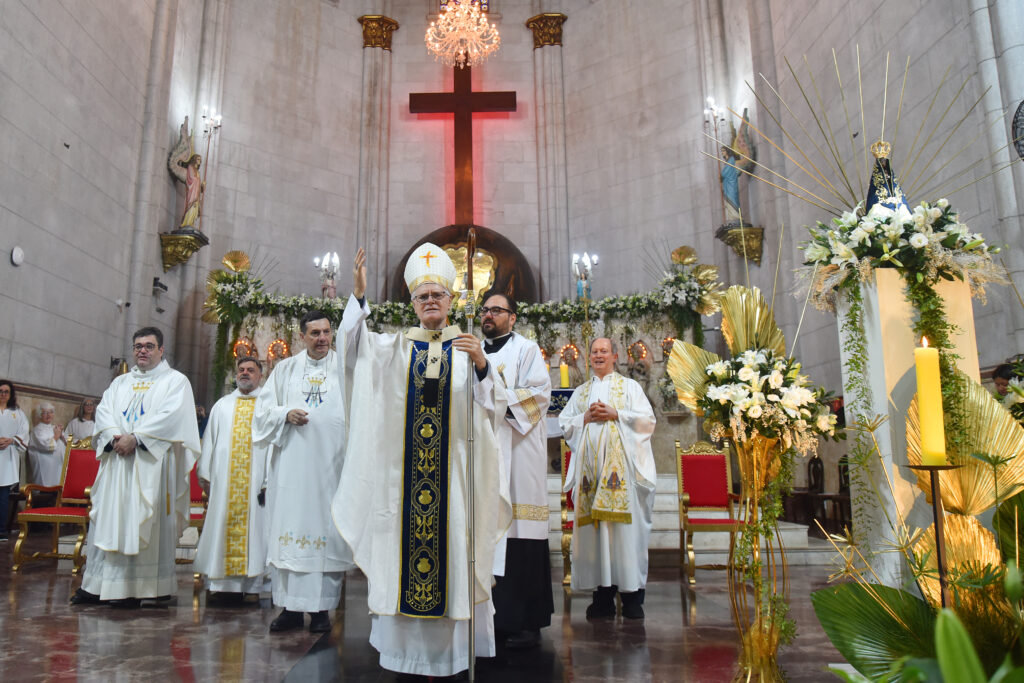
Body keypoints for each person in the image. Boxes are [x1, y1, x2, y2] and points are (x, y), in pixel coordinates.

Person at [333, 245, 511, 678]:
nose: (430, 301)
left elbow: (495, 408)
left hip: (455, 485)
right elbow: (351, 350)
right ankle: (406, 658)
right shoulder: (392, 348)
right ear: (412, 304)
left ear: (451, 301)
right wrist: (358, 298)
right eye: (422, 296)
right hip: (402, 486)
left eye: (437, 295)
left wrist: (482, 365)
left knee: (454, 561)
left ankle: (452, 658)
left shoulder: (468, 349)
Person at [71, 326, 201, 607]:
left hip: (152, 465)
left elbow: (171, 417)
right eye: (138, 346)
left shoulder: (176, 382)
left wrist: (137, 439)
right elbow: (104, 412)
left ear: (161, 350)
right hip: (118, 465)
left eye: (149, 346)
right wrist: (114, 437)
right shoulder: (120, 383)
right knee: (109, 521)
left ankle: (145, 588)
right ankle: (97, 585)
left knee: (147, 523)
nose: (143, 351)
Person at [253, 309, 352, 633]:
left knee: (326, 537)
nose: (322, 338)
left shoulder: (344, 368)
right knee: (289, 533)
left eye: (326, 332)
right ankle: (290, 609)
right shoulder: (286, 369)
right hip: (291, 469)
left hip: (331, 468)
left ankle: (321, 611)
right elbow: (262, 412)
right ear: (302, 336)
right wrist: (285, 414)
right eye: (315, 333)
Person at [560, 337, 656, 620]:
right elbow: (565, 424)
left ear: (615, 356)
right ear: (589, 358)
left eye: (604, 351)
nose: (598, 355)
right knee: (597, 537)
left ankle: (632, 598)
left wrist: (616, 414)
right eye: (594, 352)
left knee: (624, 535)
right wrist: (584, 419)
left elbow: (647, 422)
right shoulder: (581, 393)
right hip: (591, 478)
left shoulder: (630, 387)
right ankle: (602, 598)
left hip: (622, 477)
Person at [479, 291, 554, 649]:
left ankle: (524, 617)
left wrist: (489, 392)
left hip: (518, 452)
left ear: (512, 318)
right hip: (482, 453)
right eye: (485, 310)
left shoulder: (526, 350)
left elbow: (538, 395)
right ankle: (488, 614)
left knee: (521, 530)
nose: (489, 315)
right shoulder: (470, 351)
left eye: (497, 310)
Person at [194, 356, 270, 601]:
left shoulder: (269, 404)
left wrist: (269, 479)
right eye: (241, 370)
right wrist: (205, 473)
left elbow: (274, 444)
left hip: (256, 482)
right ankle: (220, 585)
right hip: (224, 481)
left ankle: (253, 587)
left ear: (260, 376)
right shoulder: (222, 405)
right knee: (221, 525)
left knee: (257, 530)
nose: (245, 373)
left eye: (251, 370)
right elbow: (210, 441)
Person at [0, 380, 29, 541]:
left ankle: (2, 530)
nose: (3, 394)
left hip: (7, 457)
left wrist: (11, 440)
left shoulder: (17, 412)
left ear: (10, 394)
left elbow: (24, 430)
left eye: (6, 391)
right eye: (0, 391)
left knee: (3, 495)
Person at [28, 402, 66, 487]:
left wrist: (62, 436)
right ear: (40, 415)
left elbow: (66, 444)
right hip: (45, 468)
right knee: (46, 489)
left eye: (51, 412)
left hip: (58, 466)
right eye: (45, 413)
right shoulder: (37, 430)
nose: (48, 415)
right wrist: (56, 436)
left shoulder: (55, 428)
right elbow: (46, 446)